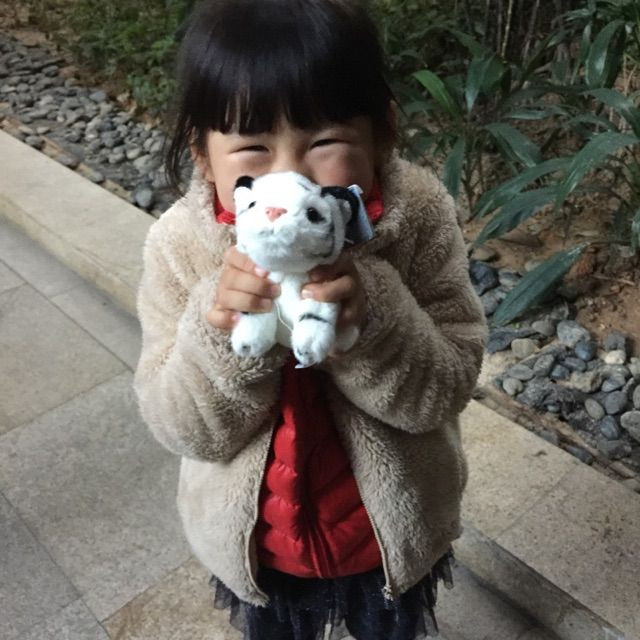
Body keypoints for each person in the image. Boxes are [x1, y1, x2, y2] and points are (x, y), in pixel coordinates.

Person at [133, 1, 488, 638]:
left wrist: (372, 322)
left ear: (382, 134)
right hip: (257, 549)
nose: (289, 177)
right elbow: (182, 427)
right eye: (252, 147)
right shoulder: (179, 248)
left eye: (324, 142)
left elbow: (446, 388)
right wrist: (223, 335)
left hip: (389, 538)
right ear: (203, 155)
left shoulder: (418, 220)